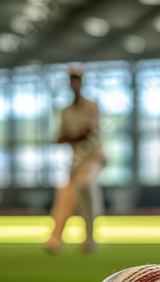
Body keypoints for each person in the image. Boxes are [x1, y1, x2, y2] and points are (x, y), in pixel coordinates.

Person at [44, 67, 106, 253]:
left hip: (94, 157)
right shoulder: (66, 111)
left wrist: (71, 136)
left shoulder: (91, 106)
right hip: (76, 160)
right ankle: (55, 239)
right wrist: (72, 136)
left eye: (77, 79)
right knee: (64, 192)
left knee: (85, 183)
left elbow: (87, 132)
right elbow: (60, 137)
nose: (75, 83)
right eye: (72, 79)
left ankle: (89, 238)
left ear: (82, 82)